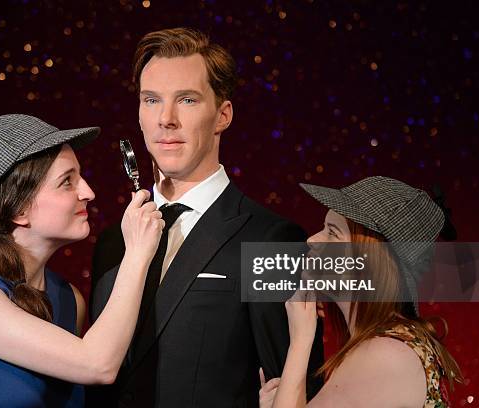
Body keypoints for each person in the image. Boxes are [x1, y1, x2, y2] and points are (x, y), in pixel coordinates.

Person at [87, 28, 324, 407]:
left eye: (187, 100)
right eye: (151, 100)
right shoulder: (114, 241)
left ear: (222, 115)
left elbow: (294, 386)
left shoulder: (269, 239)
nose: (166, 119)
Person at [0, 114, 165, 407]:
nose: (88, 192)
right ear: (18, 208)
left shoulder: (69, 301)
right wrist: (137, 251)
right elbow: (98, 364)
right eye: (67, 182)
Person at [260, 176, 463, 408]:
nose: (313, 239)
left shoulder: (385, 358)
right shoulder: (388, 347)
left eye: (333, 232)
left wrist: (300, 340)